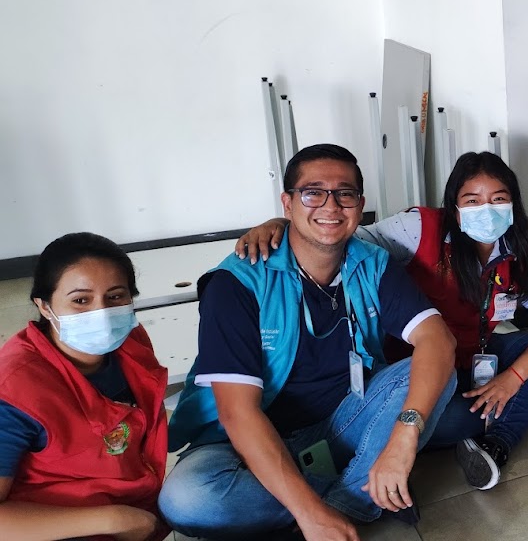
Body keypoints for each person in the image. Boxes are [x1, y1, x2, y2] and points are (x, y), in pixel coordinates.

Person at [159, 144, 457, 540]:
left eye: (344, 194)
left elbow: (437, 339)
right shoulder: (237, 283)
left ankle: (343, 505)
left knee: (434, 370)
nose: (331, 206)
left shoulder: (372, 263)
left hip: (340, 424)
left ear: (360, 204)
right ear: (287, 203)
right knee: (187, 498)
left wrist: (405, 434)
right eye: (313, 193)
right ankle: (356, 494)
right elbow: (238, 414)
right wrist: (309, 512)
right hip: (245, 442)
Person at [235, 151, 528, 492]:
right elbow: (342, 237)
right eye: (472, 200)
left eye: (498, 199)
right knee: (448, 417)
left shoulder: (516, 250)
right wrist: (283, 224)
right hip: (419, 370)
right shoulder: (420, 228)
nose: (486, 211)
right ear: (454, 208)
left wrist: (513, 379)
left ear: (513, 204)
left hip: (476, 355)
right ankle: (524, 408)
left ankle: (497, 439)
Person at [0, 233, 169, 541]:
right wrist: (114, 519)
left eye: (116, 297)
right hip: (55, 525)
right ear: (44, 306)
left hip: (134, 507)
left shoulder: (130, 343)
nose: (101, 314)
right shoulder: (13, 391)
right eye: (80, 300)